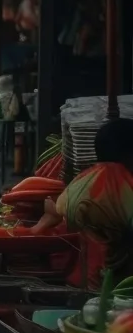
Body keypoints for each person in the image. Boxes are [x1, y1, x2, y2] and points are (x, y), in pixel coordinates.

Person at [33, 118, 133, 287]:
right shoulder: (122, 185)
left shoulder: (82, 181)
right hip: (111, 288)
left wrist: (47, 220)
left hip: (80, 282)